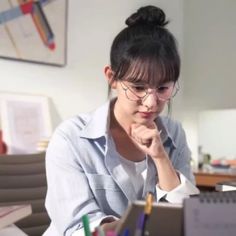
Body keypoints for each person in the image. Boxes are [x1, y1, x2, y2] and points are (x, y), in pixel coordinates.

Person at [43, 5, 199, 236]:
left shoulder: (174, 133)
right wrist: (125, 228)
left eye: (163, 88)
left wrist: (160, 158)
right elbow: (75, 226)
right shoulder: (71, 138)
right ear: (112, 78)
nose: (151, 102)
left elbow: (190, 219)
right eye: (138, 87)